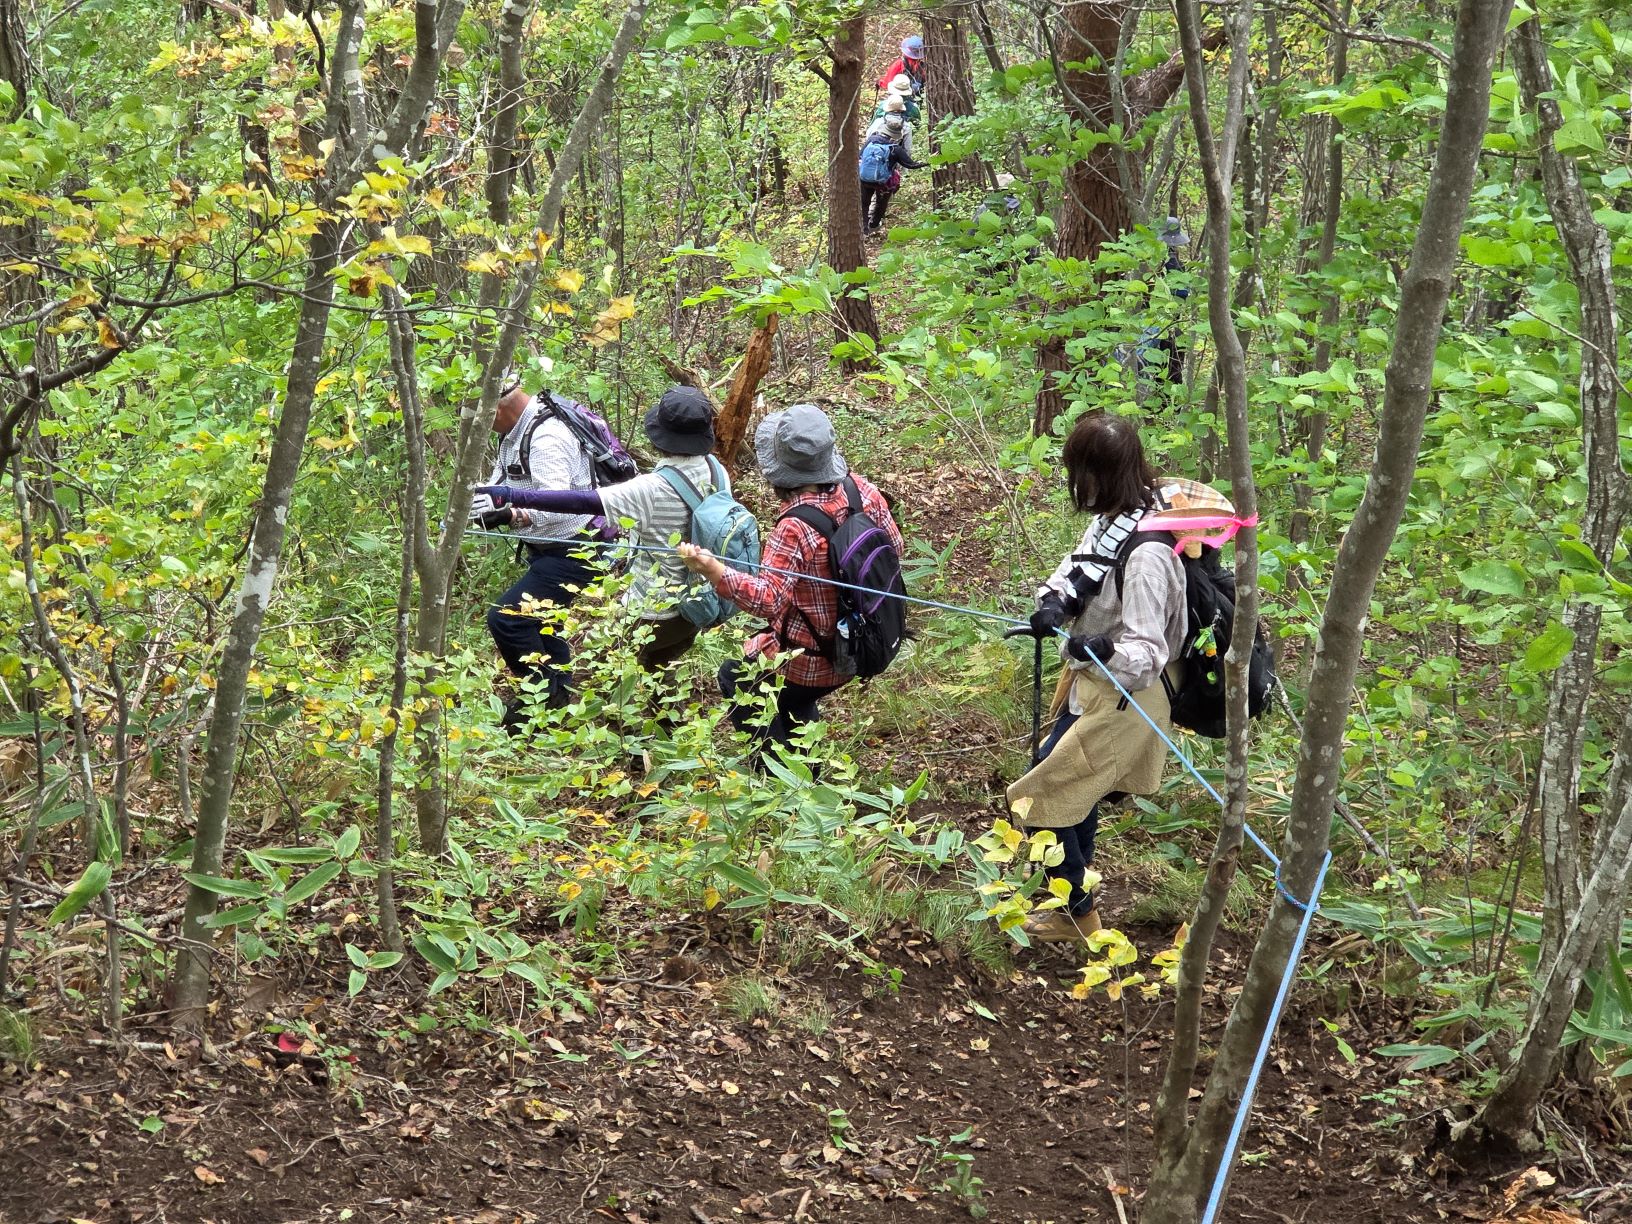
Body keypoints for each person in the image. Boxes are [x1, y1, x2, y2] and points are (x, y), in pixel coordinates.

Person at [1007, 414, 1187, 943]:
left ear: (1101, 474)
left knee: (1049, 786)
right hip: (1094, 684)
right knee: (1073, 790)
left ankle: (1079, 914)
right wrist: (1053, 604)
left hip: (1131, 694)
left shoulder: (1149, 552)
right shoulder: (1116, 520)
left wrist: (1105, 646)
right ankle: (1074, 904)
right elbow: (1076, 569)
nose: (1075, 484)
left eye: (1079, 472)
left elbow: (1149, 652)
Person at [677, 403, 903, 756]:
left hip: (815, 659)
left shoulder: (794, 527)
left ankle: (780, 781)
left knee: (735, 676)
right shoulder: (861, 491)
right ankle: (807, 762)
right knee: (794, 701)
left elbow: (768, 601)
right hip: (864, 642)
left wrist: (712, 569)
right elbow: (895, 549)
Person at [477, 385, 725, 672]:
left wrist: (511, 505)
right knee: (660, 673)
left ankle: (553, 699)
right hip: (701, 601)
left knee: (608, 664)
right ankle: (662, 712)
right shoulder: (716, 469)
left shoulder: (650, 489)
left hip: (655, 612)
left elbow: (578, 502)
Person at [470, 380, 600, 730]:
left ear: (497, 410)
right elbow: (503, 478)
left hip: (577, 549)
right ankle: (555, 700)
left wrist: (513, 516)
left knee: (508, 618)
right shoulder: (516, 431)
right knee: (542, 622)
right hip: (548, 548)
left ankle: (538, 698)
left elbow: (561, 506)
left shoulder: (546, 439)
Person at [858, 113, 927, 236]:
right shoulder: (895, 149)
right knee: (881, 203)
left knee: (864, 203)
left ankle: (864, 229)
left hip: (864, 179)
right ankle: (874, 225)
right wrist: (928, 162)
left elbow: (860, 156)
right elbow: (911, 165)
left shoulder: (871, 140)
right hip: (884, 182)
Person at [865, 96, 918, 160]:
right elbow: (907, 150)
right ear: (901, 110)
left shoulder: (878, 122)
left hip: (873, 157)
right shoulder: (906, 126)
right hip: (892, 162)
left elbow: (868, 137)